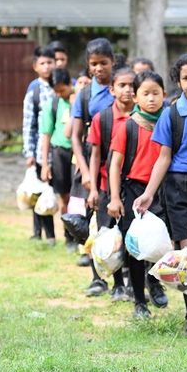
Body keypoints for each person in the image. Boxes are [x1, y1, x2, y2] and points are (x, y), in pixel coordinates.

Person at [133, 53, 187, 338]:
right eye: (186, 78)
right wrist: (149, 193)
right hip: (178, 187)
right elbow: (163, 158)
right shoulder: (171, 115)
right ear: (178, 82)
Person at [107, 71, 168, 319]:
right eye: (145, 93)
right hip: (134, 191)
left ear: (164, 95)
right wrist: (113, 198)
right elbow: (115, 164)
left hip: (163, 191)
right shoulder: (128, 126)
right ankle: (139, 302)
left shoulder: (168, 123)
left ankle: (155, 283)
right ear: (136, 97)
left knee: (160, 243)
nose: (151, 99)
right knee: (135, 249)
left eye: (156, 93)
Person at [85, 67, 138, 303]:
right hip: (108, 185)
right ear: (112, 89)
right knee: (109, 235)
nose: (127, 90)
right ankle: (116, 284)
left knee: (133, 235)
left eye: (131, 86)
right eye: (122, 85)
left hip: (136, 185)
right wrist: (94, 188)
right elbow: (96, 155)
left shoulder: (143, 117)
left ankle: (138, 283)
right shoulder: (102, 118)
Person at [71, 38, 116, 296]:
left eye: (104, 63)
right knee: (92, 220)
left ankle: (126, 278)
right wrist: (85, 171)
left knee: (116, 218)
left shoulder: (121, 87)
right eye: (93, 64)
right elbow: (76, 137)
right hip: (91, 159)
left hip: (119, 158)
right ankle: (97, 276)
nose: (99, 69)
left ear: (113, 62)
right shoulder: (86, 94)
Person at [22, 45, 56, 245]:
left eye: (49, 62)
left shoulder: (60, 84)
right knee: (39, 191)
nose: (46, 67)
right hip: (39, 152)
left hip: (58, 150)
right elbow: (29, 124)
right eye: (42, 63)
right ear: (35, 66)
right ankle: (45, 234)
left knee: (55, 191)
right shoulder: (34, 90)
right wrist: (29, 152)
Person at [39, 67, 76, 251]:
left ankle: (81, 236)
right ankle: (68, 236)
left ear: (70, 84)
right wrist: (45, 164)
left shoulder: (79, 99)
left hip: (77, 154)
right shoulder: (53, 103)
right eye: (56, 90)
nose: (59, 93)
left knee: (78, 197)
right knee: (64, 197)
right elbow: (45, 135)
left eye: (62, 89)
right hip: (60, 153)